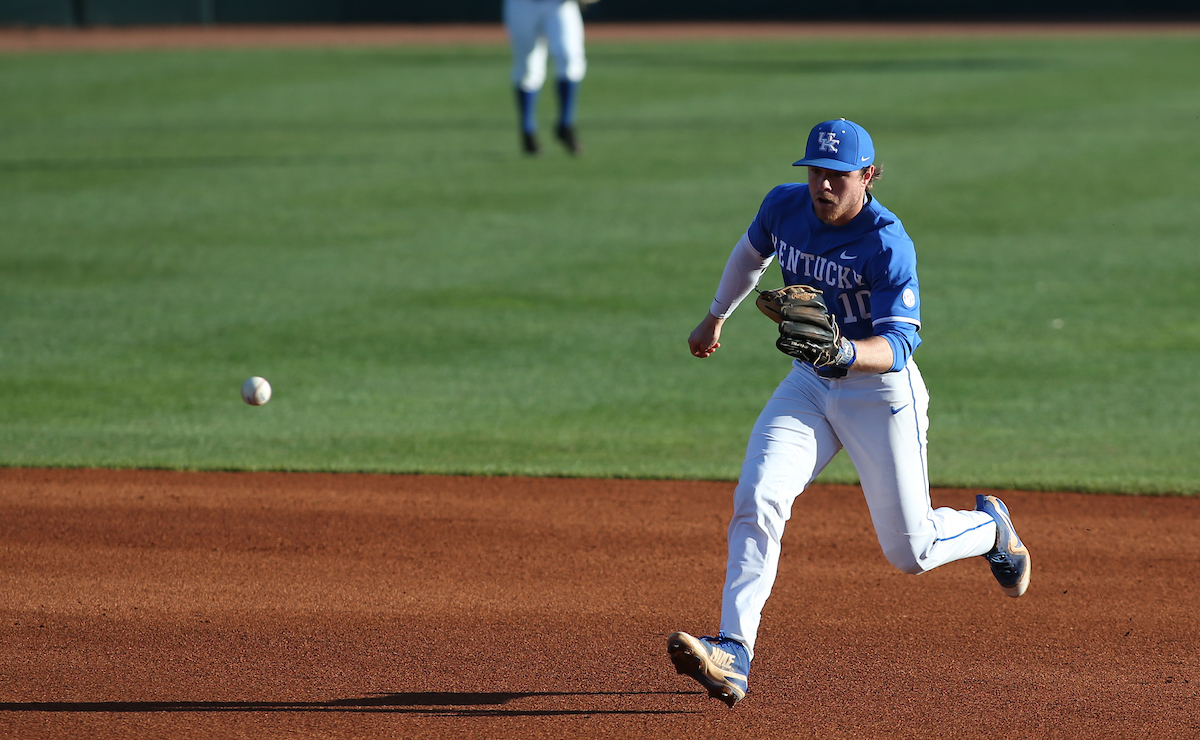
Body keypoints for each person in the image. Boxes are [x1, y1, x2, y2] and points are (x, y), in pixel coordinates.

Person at [666, 119, 1031, 708]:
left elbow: (901, 344)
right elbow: (751, 254)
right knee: (758, 497)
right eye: (815, 172)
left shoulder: (888, 242)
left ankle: (992, 529)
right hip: (809, 387)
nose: (823, 186)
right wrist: (716, 316)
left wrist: (845, 352)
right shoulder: (784, 207)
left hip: (881, 397)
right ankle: (733, 650)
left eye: (837, 176)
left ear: (867, 176)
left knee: (910, 553)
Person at [502, 0, 592, 156]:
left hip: (559, 4)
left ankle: (565, 125)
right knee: (527, 66)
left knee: (569, 57)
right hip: (522, 5)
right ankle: (528, 130)